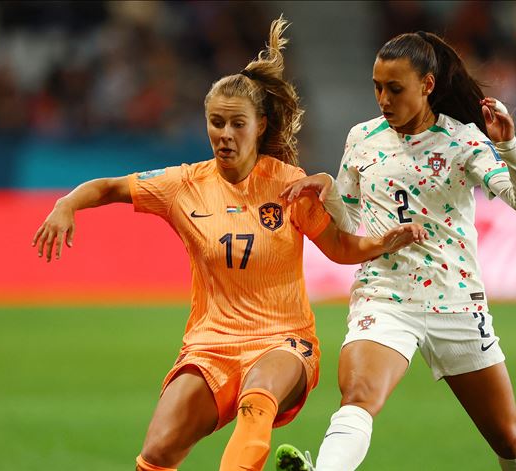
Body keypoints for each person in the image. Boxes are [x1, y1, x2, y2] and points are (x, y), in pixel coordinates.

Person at [31, 18, 427, 471]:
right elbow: (109, 187)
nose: (225, 133)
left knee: (257, 400)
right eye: (216, 122)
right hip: (210, 346)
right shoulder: (183, 185)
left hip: (284, 341)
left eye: (237, 123)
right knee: (157, 453)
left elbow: (339, 248)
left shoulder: (289, 184)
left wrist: (382, 243)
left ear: (260, 126)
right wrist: (66, 204)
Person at [276, 31, 516, 471]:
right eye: (377, 87)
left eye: (395, 89)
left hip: (454, 301)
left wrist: (507, 146)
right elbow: (350, 222)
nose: (384, 99)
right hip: (384, 297)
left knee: (508, 438)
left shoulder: (463, 141)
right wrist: (328, 191)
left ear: (427, 85)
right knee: (359, 396)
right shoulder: (362, 138)